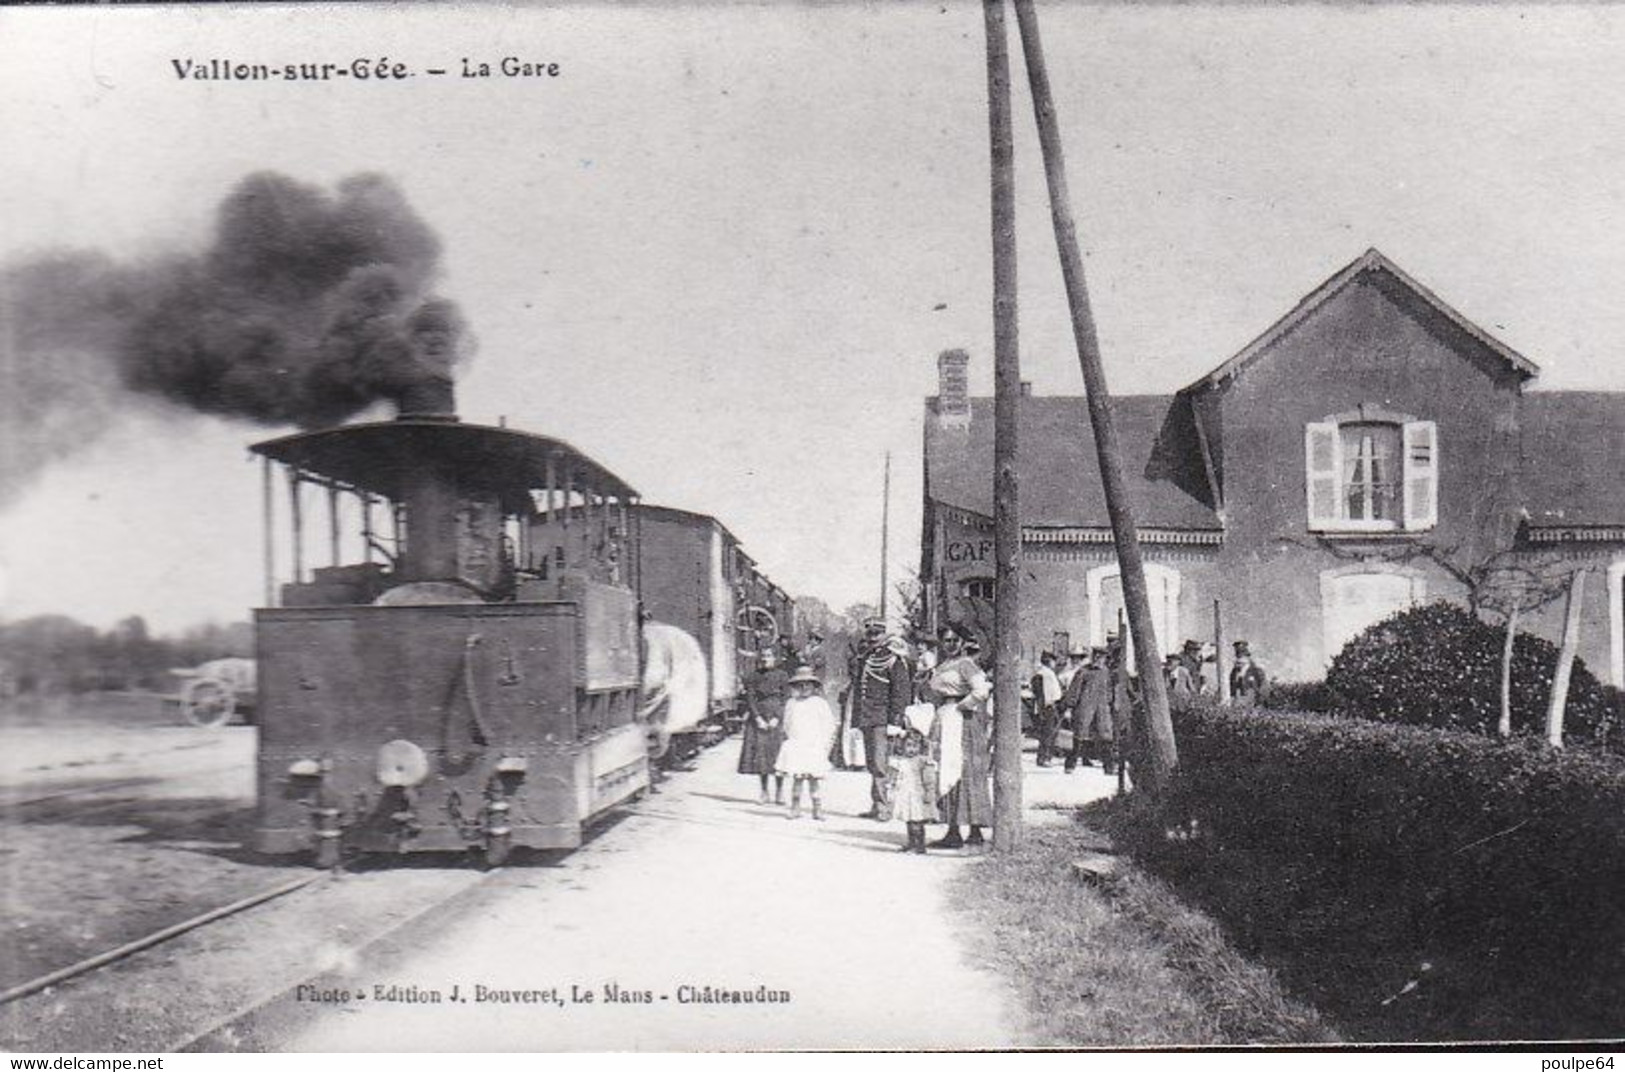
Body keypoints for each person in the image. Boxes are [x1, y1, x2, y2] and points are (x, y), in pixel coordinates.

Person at [926, 626, 993, 849]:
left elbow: (981, 690)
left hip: (963, 720)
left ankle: (973, 830)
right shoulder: (943, 665)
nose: (951, 644)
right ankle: (953, 829)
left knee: (966, 771)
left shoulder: (966, 664)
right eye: (946, 640)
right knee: (947, 769)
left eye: (955, 640)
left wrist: (963, 706)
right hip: (945, 717)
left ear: (963, 642)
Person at [847, 617, 912, 819]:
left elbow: (901, 692)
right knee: (872, 763)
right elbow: (860, 690)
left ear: (884, 634)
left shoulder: (893, 658)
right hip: (868, 717)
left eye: (877, 634)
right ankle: (877, 804)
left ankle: (884, 807)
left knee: (881, 764)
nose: (873, 637)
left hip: (883, 718)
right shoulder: (867, 657)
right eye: (869, 634)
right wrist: (857, 719)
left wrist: (895, 721)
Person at [776, 666, 838, 820]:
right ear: (795, 687)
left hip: (814, 745)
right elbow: (787, 724)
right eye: (800, 685)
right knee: (797, 778)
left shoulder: (819, 703)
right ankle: (795, 807)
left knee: (814, 779)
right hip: (797, 744)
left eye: (807, 685)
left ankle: (817, 809)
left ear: (813, 686)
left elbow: (829, 725)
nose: (804, 688)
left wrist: (824, 745)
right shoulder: (791, 703)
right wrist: (792, 739)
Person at [737, 652, 788, 803]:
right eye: (763, 656)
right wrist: (757, 718)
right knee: (761, 756)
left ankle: (779, 791)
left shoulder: (782, 675)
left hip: (776, 718)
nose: (766, 659)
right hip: (758, 717)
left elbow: (785, 699)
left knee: (778, 755)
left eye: (769, 656)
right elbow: (751, 698)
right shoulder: (753, 676)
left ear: (775, 658)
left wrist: (777, 717)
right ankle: (764, 791)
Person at [887, 709, 939, 854]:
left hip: (918, 795)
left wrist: (929, 793)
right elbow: (895, 775)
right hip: (906, 794)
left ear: (920, 747)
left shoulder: (923, 761)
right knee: (909, 821)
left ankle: (920, 845)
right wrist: (891, 786)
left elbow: (929, 779)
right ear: (903, 746)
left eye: (914, 746)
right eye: (908, 746)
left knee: (917, 821)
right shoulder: (901, 761)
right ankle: (911, 843)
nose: (911, 749)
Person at [1062, 646, 1111, 773]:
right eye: (1096, 656)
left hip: (1101, 708)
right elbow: (1074, 690)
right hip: (1085, 707)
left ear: (1105, 658)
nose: (1098, 659)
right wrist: (1069, 706)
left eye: (1101, 657)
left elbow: (1109, 691)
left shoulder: (1105, 672)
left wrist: (1108, 703)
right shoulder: (1083, 671)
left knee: (1105, 735)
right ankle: (1070, 765)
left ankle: (1109, 766)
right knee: (1079, 735)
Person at [1031, 651, 1064, 767]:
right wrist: (1044, 708)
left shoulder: (1043, 673)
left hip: (1048, 705)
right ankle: (1044, 758)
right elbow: (1043, 693)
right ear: (1049, 661)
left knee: (1048, 733)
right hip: (1048, 706)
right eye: (1053, 661)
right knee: (1048, 733)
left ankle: (1045, 757)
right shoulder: (1045, 674)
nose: (1055, 663)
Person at [1230, 641, 1267, 706]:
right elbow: (1232, 689)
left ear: (1248, 659)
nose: (1239, 664)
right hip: (1238, 704)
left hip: (1253, 704)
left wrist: (1259, 703)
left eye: (1242, 662)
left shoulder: (1257, 672)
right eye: (1237, 661)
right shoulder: (1234, 673)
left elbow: (1264, 689)